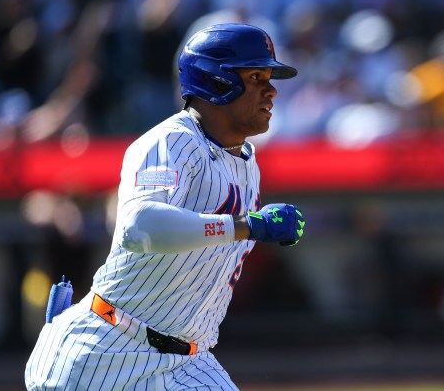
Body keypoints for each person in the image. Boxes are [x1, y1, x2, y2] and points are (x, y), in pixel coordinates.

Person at [25, 23, 306, 391]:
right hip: (107, 347)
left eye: (270, 77)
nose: (271, 90)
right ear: (218, 81)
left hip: (186, 360)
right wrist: (248, 225)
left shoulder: (248, 164)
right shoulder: (173, 139)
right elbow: (140, 227)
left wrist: (248, 226)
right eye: (256, 76)